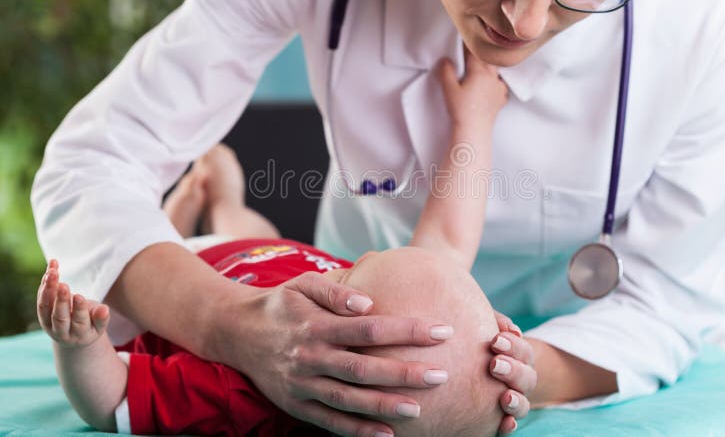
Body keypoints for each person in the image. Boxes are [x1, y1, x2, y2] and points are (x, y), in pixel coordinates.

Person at [31, 0, 725, 435]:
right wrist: (231, 325)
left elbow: (663, 300)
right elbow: (90, 165)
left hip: (612, 352)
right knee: (245, 242)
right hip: (356, 306)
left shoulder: (718, 6)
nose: (524, 22)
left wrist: (494, 380)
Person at [36, 63, 510, 436]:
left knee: (180, 253)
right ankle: (223, 201)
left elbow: (114, 399)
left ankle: (181, 212)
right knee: (251, 228)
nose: (359, 258)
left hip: (165, 285)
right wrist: (473, 121)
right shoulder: (386, 305)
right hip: (261, 251)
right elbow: (449, 236)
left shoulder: (245, 392)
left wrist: (77, 346)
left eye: (348, 276)